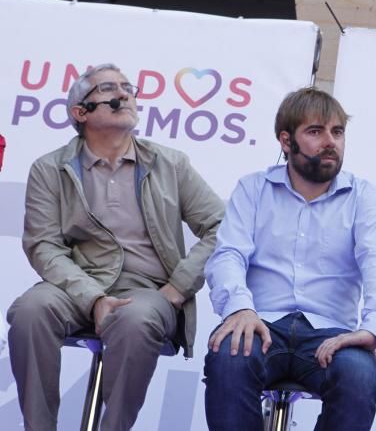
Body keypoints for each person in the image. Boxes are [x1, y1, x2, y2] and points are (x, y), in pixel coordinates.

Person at [7, 63, 224, 431]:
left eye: (129, 87)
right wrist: (93, 297)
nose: (125, 94)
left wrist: (177, 288)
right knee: (30, 310)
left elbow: (222, 227)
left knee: (136, 319)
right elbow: (43, 246)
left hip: (148, 290)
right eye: (109, 88)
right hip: (76, 285)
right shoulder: (49, 169)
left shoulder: (170, 163)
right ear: (80, 112)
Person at [202, 87, 376, 431]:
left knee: (358, 375)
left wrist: (371, 330)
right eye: (315, 131)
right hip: (260, 321)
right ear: (285, 140)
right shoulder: (253, 188)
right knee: (230, 358)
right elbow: (228, 256)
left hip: (332, 333)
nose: (330, 141)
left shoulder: (363, 196)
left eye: (337, 132)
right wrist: (240, 308)